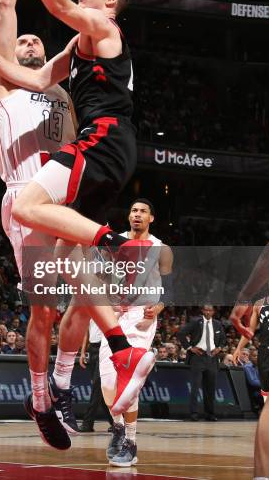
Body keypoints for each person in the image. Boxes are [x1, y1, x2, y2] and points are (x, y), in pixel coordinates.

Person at [0, 0, 156, 432]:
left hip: (83, 160)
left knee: (61, 250)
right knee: (63, 286)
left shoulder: (97, 32)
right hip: (60, 181)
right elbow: (23, 53)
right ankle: (110, 355)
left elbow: (59, 4)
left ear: (109, 2)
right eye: (24, 41)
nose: (32, 42)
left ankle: (60, 379)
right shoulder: (26, 79)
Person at [99, 199, 173, 466]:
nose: (137, 215)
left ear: (151, 218)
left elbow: (171, 287)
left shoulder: (160, 248)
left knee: (127, 380)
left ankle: (130, 439)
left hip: (141, 316)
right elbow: (101, 276)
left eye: (142, 211)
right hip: (112, 314)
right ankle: (118, 427)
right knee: (108, 384)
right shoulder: (115, 242)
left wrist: (160, 307)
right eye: (133, 210)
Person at [230, 243, 269, 480]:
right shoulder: (260, 305)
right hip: (266, 353)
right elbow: (250, 331)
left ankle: (262, 474)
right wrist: (237, 348)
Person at [177, 305, 226, 422]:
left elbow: (223, 339)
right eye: (206, 310)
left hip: (212, 358)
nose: (208, 312)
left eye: (210, 310)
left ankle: (210, 414)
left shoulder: (218, 324)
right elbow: (181, 333)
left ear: (213, 312)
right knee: (195, 387)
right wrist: (189, 347)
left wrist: (219, 348)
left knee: (210, 388)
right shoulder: (195, 322)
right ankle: (194, 414)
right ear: (203, 311)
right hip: (198, 357)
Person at [79, 319, 112, 432]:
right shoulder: (89, 308)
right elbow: (87, 331)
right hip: (92, 349)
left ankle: (87, 423)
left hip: (105, 347)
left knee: (97, 384)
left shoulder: (109, 306)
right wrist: (83, 352)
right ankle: (116, 423)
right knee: (100, 389)